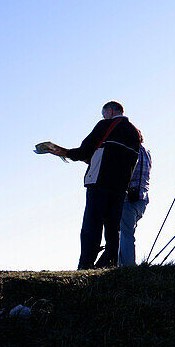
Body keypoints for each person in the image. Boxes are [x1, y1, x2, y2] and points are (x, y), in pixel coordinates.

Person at [60, 101, 141, 269]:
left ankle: (86, 265)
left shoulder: (107, 125)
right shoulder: (134, 133)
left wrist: (65, 153)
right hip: (120, 186)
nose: (103, 116)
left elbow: (86, 149)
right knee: (112, 228)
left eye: (104, 113)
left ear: (110, 111)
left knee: (92, 225)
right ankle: (111, 263)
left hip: (100, 181)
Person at [118, 132, 151, 267]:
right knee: (128, 231)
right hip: (142, 198)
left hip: (129, 198)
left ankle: (127, 265)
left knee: (126, 233)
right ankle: (123, 263)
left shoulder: (131, 152)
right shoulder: (146, 153)